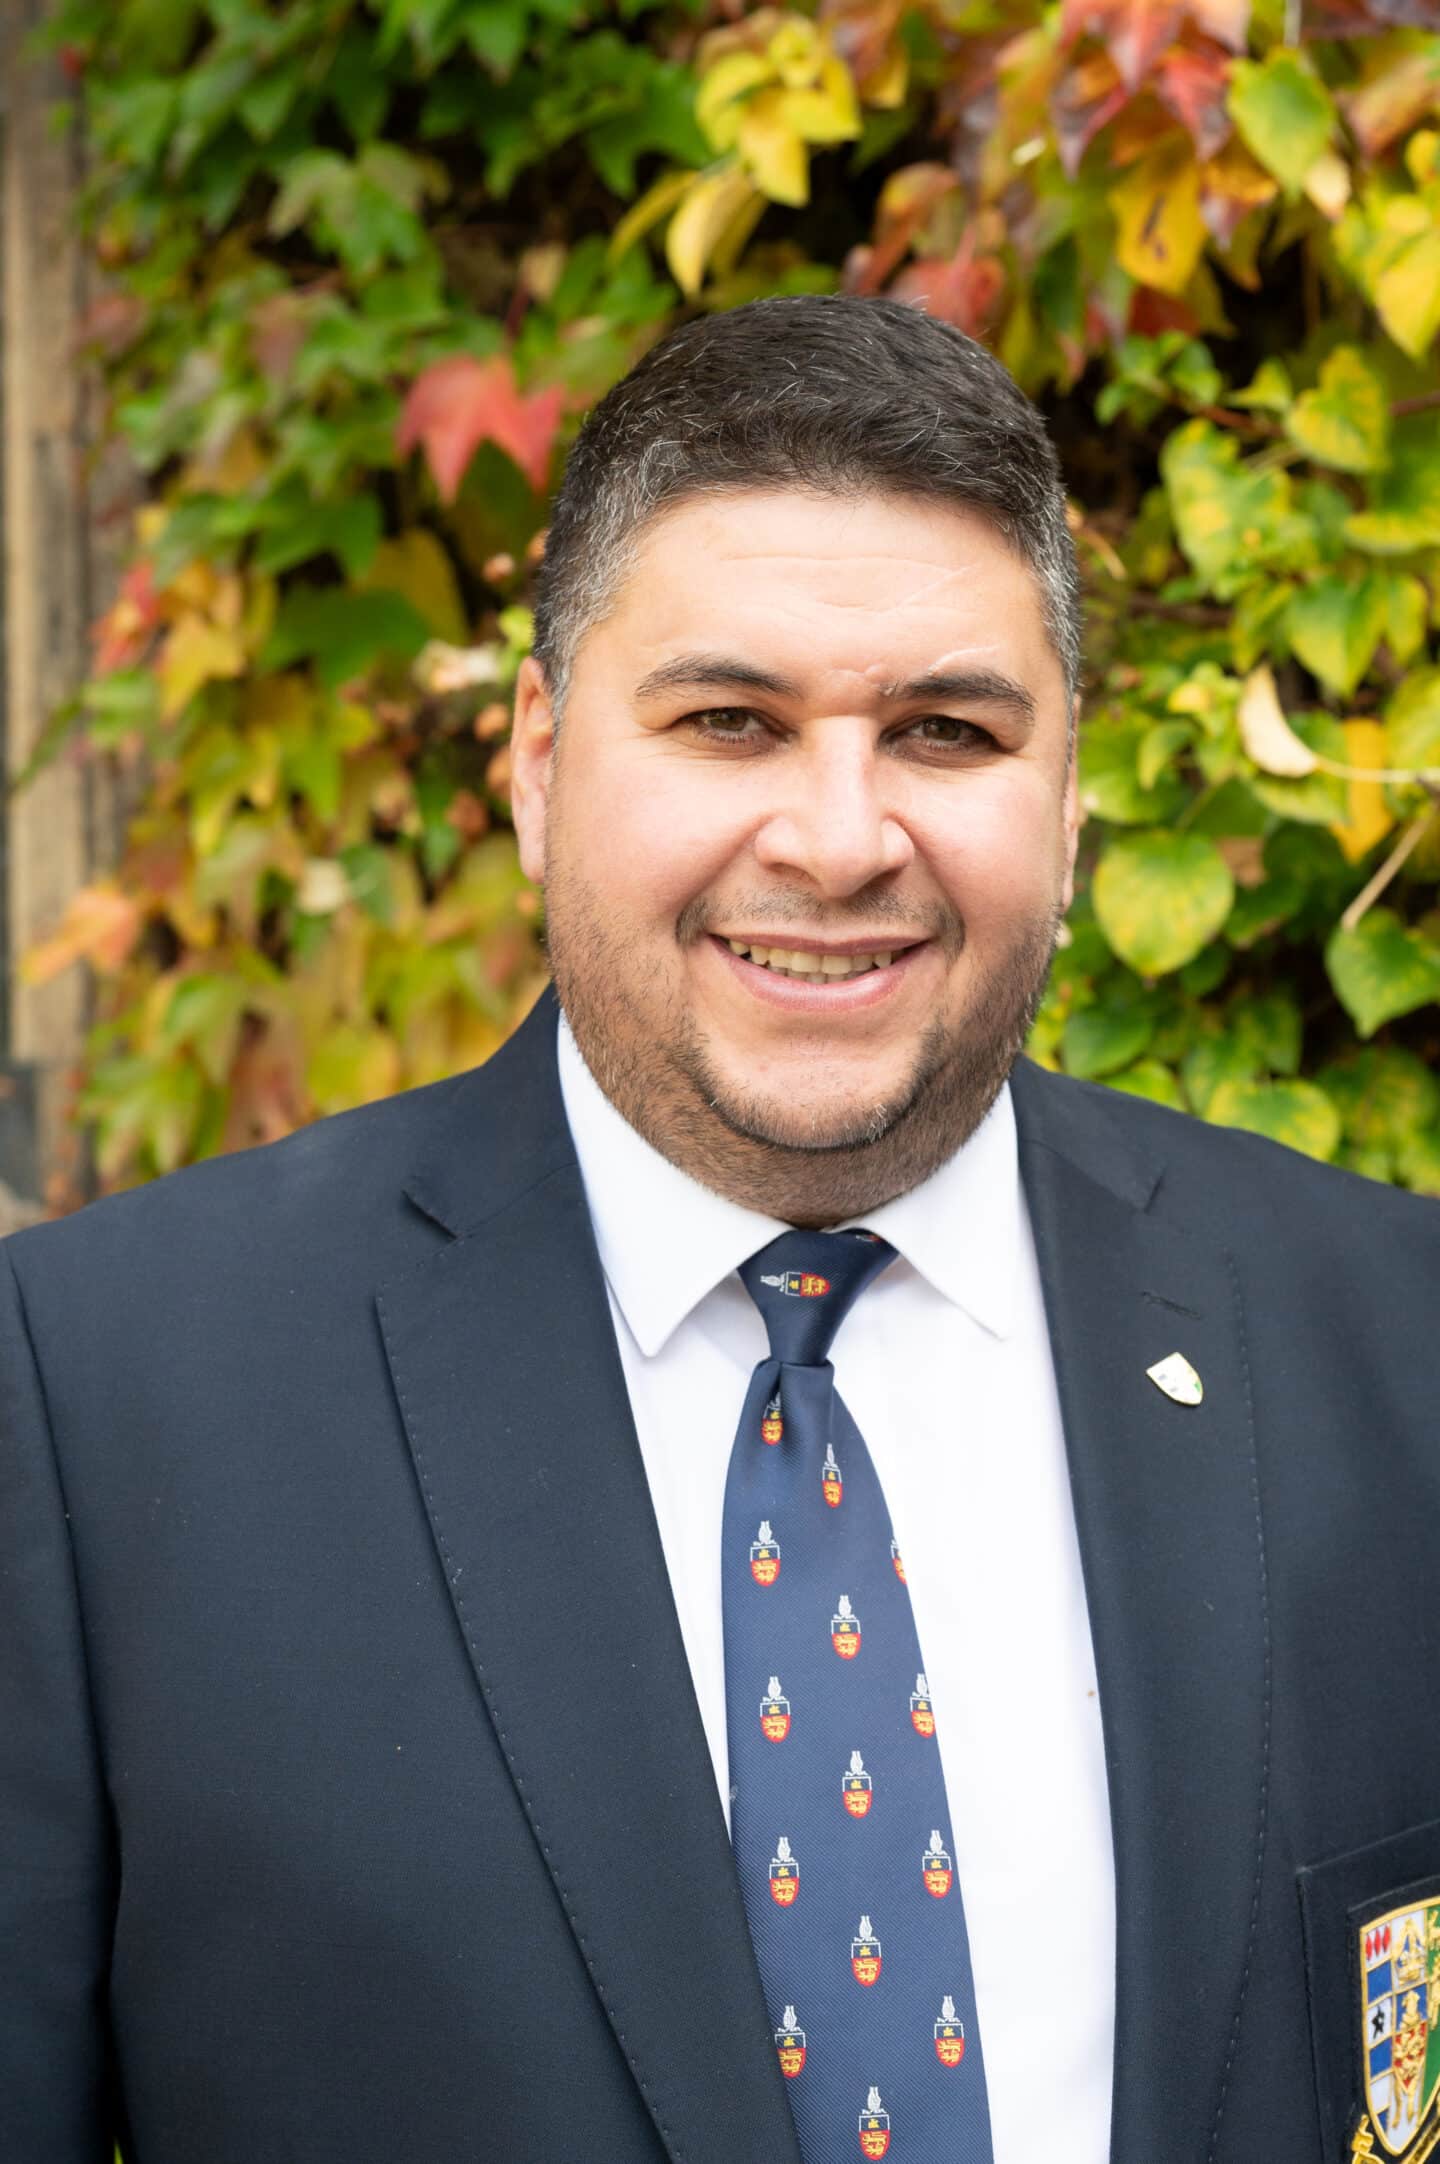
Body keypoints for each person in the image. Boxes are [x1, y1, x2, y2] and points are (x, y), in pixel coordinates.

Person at [1, 294, 1436, 2164]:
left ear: (1069, 798)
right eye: (728, 720)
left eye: (944, 729)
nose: (839, 841)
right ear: (533, 765)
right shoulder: (95, 1403)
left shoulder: (1394, 1343)